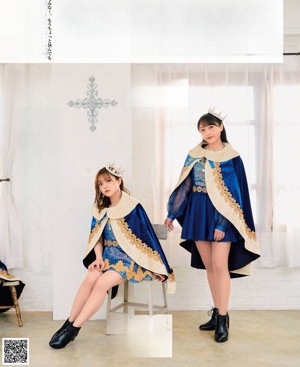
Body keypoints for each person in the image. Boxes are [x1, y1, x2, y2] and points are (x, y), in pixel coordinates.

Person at [49, 164, 175, 349]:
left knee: (101, 283)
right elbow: (97, 237)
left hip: (129, 259)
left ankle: (74, 328)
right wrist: (98, 258)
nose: (104, 186)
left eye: (108, 181)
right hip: (107, 257)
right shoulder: (100, 208)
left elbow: (146, 237)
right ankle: (68, 323)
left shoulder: (132, 206)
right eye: (100, 184)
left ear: (118, 180)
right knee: (91, 276)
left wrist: (156, 265)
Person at [164, 108, 260, 343]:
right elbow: (185, 185)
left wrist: (222, 224)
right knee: (210, 266)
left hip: (221, 216)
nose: (207, 132)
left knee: (220, 265)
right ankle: (217, 312)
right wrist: (172, 213)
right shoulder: (195, 154)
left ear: (220, 128)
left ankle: (223, 318)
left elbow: (234, 195)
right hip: (198, 212)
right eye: (202, 129)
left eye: (211, 127)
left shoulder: (232, 156)